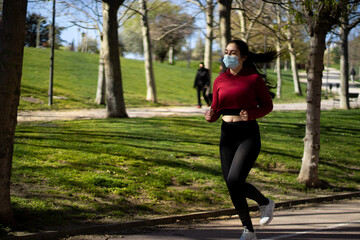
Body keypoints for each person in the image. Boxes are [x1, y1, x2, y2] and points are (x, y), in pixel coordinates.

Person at [205, 39, 277, 240]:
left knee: (235, 179)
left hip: (247, 133)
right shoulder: (220, 79)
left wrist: (252, 114)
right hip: (227, 133)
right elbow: (216, 108)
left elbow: (267, 105)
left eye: (233, 52)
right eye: (226, 52)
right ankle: (248, 230)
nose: (228, 55)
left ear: (243, 57)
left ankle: (264, 202)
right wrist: (210, 116)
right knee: (231, 184)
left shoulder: (253, 79)